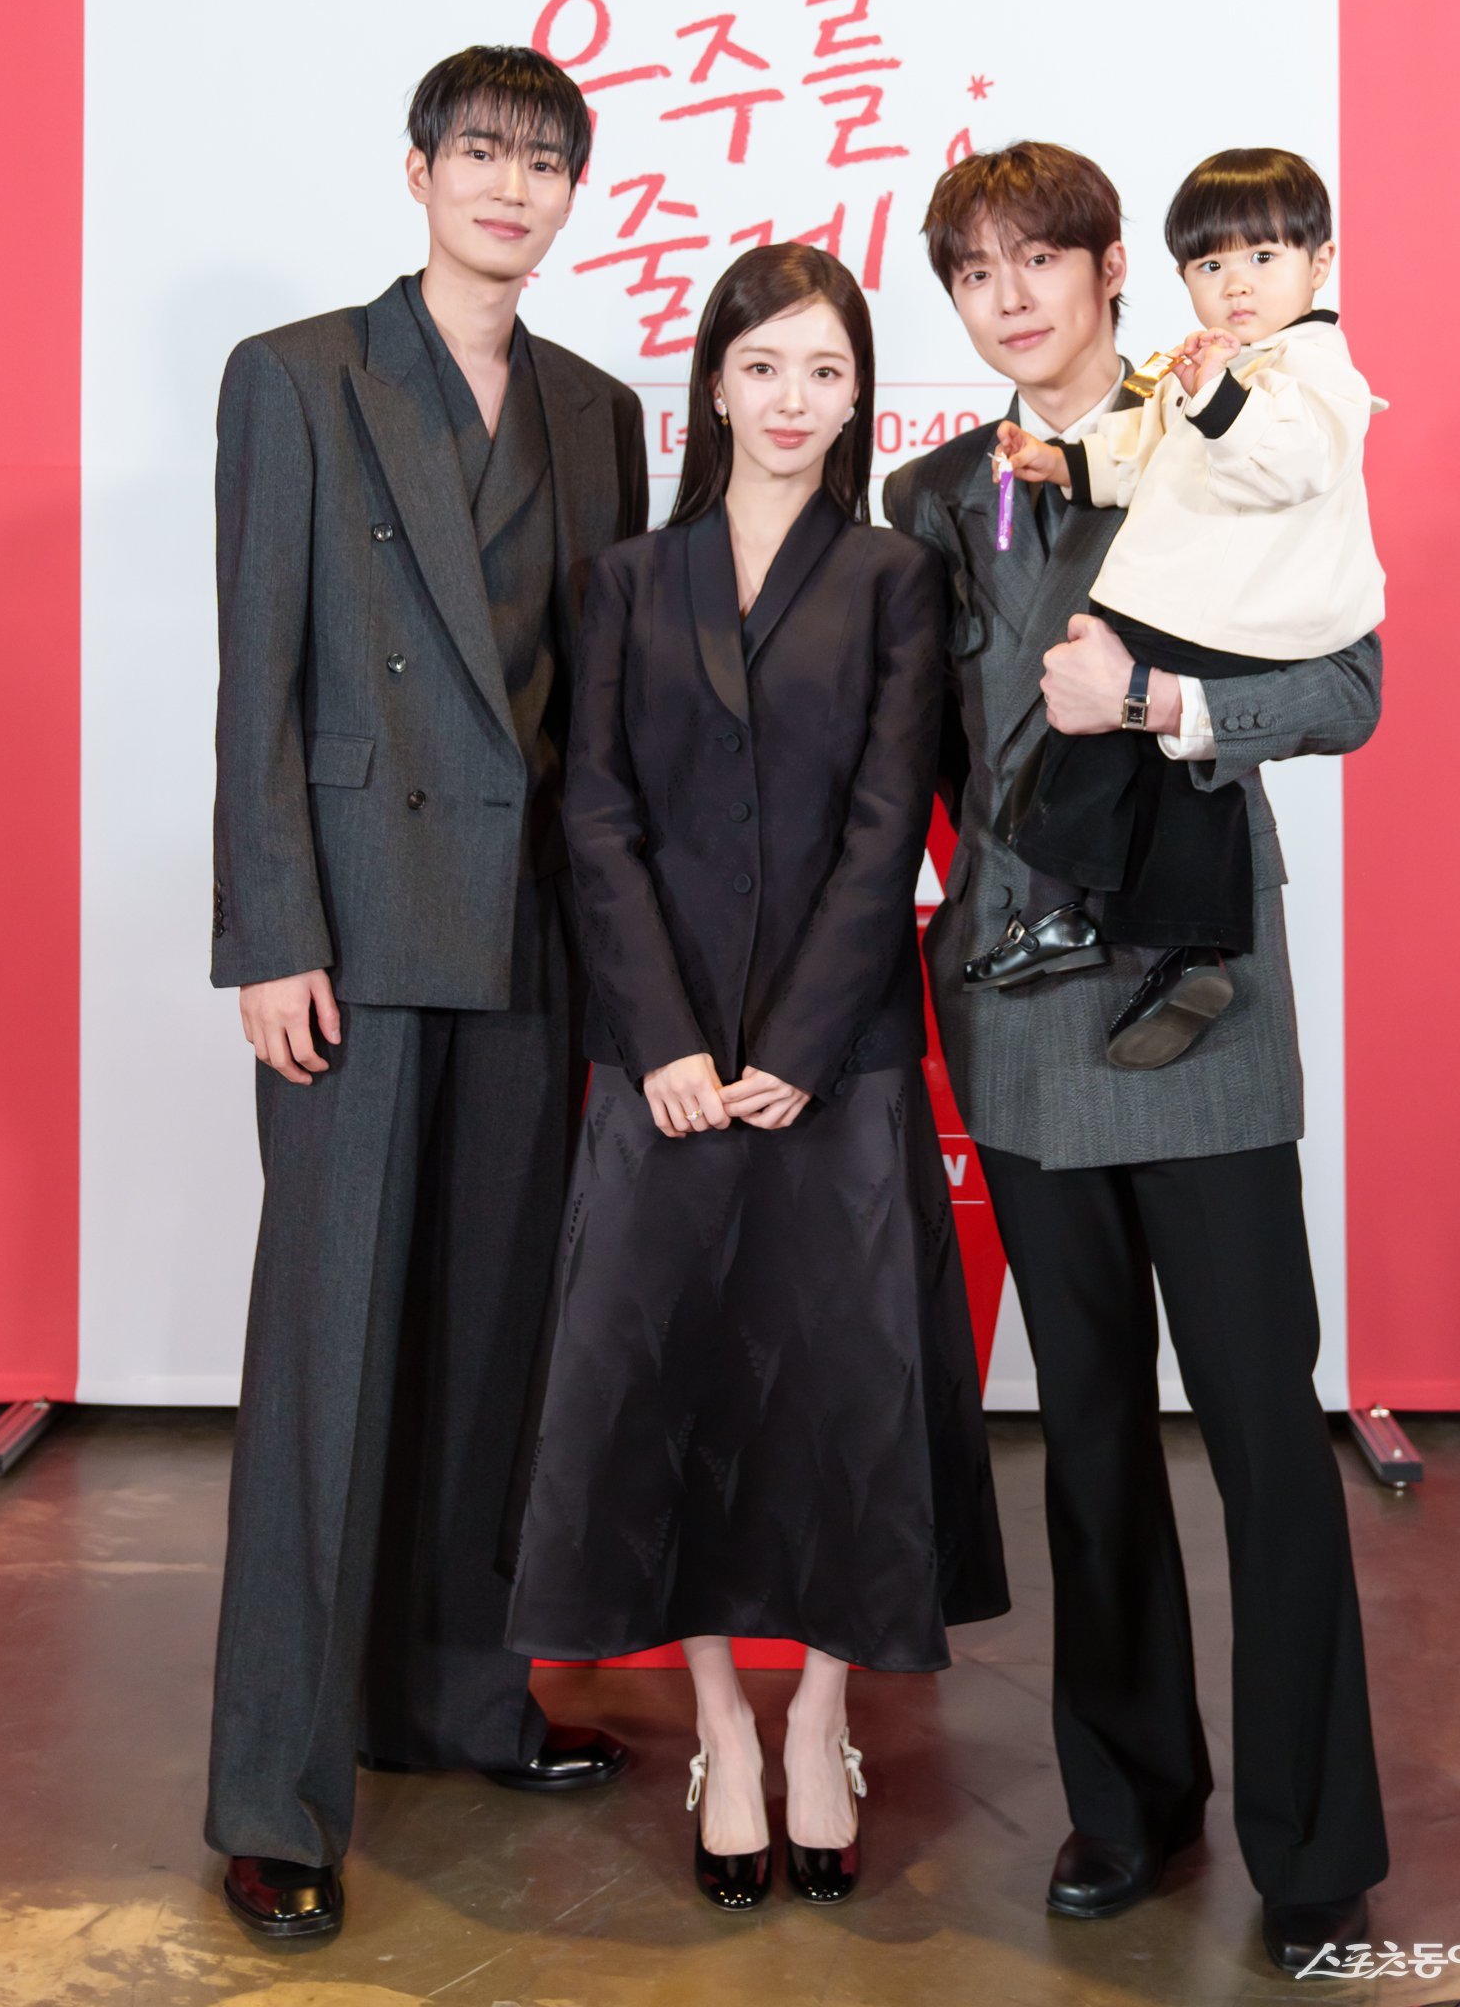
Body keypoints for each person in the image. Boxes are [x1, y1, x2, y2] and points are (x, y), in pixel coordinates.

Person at [884, 141, 1389, 1978]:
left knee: (1262, 1426)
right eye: (974, 273)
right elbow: (912, 755)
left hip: (1202, 992)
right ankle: (1127, 1800)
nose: (1010, 298)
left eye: (1043, 259)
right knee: (1088, 1435)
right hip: (1017, 1007)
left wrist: (1171, 705)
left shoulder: (1230, 432)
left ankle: (1315, 1839)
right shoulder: (934, 496)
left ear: (1114, 271)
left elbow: (1348, 688)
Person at [506, 244, 1009, 1912]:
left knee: (848, 1398)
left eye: (827, 371)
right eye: (765, 365)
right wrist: (663, 1039)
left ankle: (820, 1718)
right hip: (657, 1069)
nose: (794, 400)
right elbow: (596, 818)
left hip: (835, 1066)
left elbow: (887, 830)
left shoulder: (896, 579)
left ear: (859, 399)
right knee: (675, 1392)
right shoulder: (625, 582)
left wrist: (792, 1050)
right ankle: (723, 1721)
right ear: (714, 383)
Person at [206, 45, 647, 1942]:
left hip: (532, 937)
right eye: (482, 152)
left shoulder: (596, 409)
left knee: (491, 1348)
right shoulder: (300, 375)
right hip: (361, 936)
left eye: (546, 163)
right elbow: (258, 673)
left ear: (572, 195)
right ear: (418, 171)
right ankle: (275, 1792)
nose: (512, 188)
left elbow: (605, 707)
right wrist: (269, 931)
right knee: (326, 1367)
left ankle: (457, 1701)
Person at [976, 148, 1386, 1070]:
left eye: (1263, 258)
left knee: (1106, 742)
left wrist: (1216, 396)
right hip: (1199, 613)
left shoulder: (1312, 370)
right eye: (1210, 264)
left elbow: (1290, 459)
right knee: (1165, 775)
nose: (1236, 284)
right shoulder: (1203, 371)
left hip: (1242, 620)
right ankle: (1172, 950)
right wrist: (1059, 461)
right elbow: (1141, 450)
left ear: (1321, 263)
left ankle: (1076, 914)